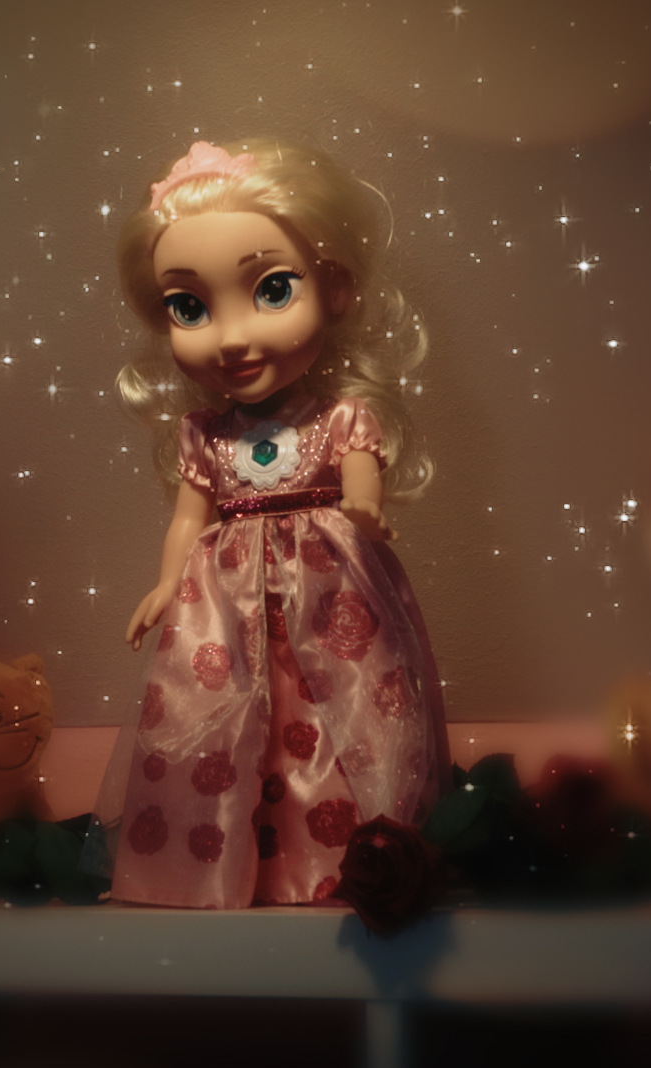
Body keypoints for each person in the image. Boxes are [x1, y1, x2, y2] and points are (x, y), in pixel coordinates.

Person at [96, 139, 445, 908]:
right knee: (225, 722)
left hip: (329, 592)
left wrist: (364, 506)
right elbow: (189, 517)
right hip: (222, 604)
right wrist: (165, 584)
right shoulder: (202, 434)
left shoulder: (341, 418)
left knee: (332, 712)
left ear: (336, 288)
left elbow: (361, 473)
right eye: (189, 307)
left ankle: (328, 861)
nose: (231, 336)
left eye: (272, 289)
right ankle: (215, 865)